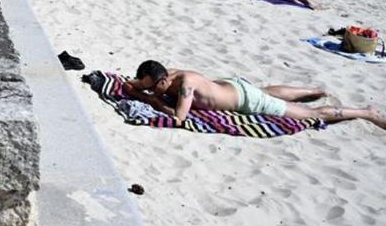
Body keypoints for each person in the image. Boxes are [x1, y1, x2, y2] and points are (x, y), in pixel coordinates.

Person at [127, 60, 386, 130]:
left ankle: (366, 113)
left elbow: (179, 118)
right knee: (267, 92)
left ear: (163, 80)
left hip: (246, 101)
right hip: (233, 86)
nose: (151, 91)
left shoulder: (184, 84)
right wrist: (137, 88)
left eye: (154, 87)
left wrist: (151, 100)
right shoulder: (165, 73)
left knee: (311, 114)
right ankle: (314, 91)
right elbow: (137, 84)